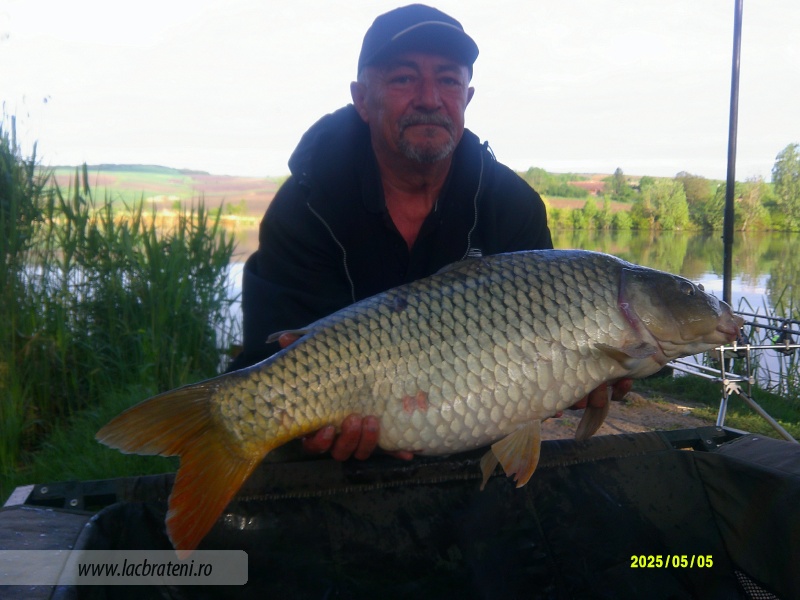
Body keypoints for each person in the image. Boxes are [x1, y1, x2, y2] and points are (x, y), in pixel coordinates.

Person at [229, 4, 626, 461]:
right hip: (329, 463)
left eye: (449, 81)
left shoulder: (512, 206)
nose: (430, 98)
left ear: (467, 98)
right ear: (362, 99)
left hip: (468, 450)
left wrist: (577, 374)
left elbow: (541, 362)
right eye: (404, 78)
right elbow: (272, 351)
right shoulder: (306, 206)